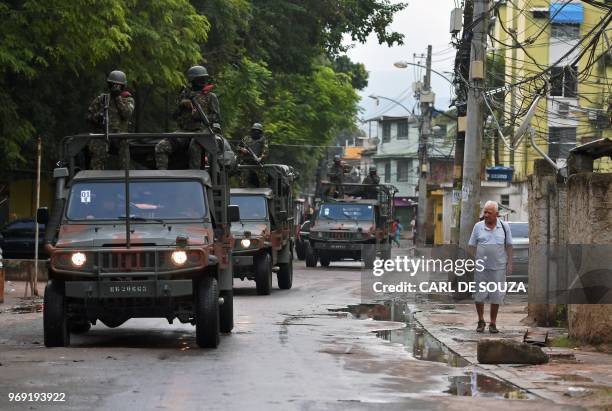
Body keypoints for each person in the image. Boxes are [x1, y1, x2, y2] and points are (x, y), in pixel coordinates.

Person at [155, 65, 222, 170]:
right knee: (161, 146)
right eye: (199, 79)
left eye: (204, 79)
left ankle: (194, 180)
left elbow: (216, 117)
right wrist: (182, 104)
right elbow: (174, 115)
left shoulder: (210, 96)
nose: (203, 81)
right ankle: (163, 176)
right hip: (184, 132)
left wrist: (200, 117)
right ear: (193, 80)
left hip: (201, 133)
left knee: (194, 148)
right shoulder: (185, 94)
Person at [468, 200, 513, 334]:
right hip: (481, 268)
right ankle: (481, 320)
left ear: (496, 214)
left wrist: (510, 263)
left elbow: (509, 246)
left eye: (489, 212)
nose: (486, 215)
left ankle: (493, 323)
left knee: (496, 295)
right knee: (479, 295)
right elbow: (471, 246)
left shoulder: (504, 227)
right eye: (485, 212)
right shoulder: (478, 227)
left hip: (498, 268)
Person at [86, 70, 134, 170]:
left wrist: (118, 99)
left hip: (120, 136)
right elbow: (89, 116)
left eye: (118, 85)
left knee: (124, 152)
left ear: (123, 86)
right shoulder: (102, 99)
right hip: (103, 135)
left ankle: (124, 177)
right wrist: (97, 117)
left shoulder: (128, 99)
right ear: (109, 84)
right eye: (113, 84)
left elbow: (126, 114)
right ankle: (95, 176)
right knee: (96, 148)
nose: (115, 87)